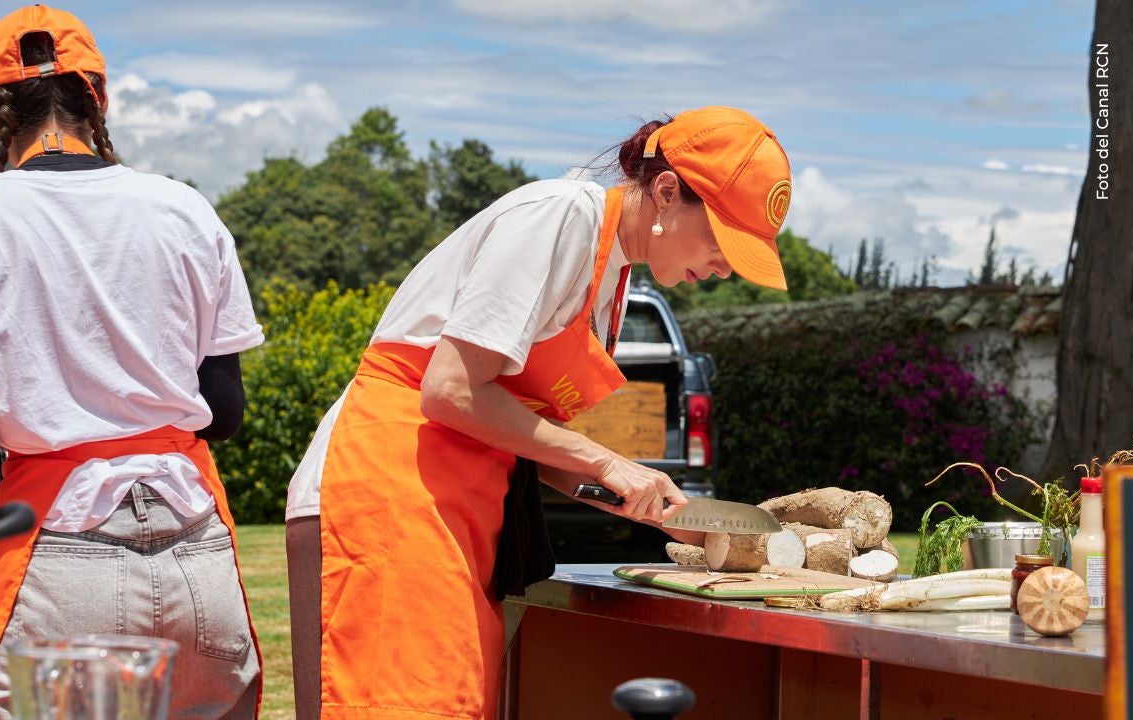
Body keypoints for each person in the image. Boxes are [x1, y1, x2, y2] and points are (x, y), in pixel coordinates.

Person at [284, 106, 793, 719]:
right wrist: (608, 460)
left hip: (458, 507)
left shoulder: (612, 280)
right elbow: (449, 390)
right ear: (665, 193)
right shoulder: (560, 215)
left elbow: (531, 442)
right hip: (386, 493)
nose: (724, 267)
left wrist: (649, 504)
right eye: (722, 241)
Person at [0, 6, 264, 719]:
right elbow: (223, 414)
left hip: (57, 561)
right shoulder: (186, 210)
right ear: (98, 98)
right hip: (198, 557)